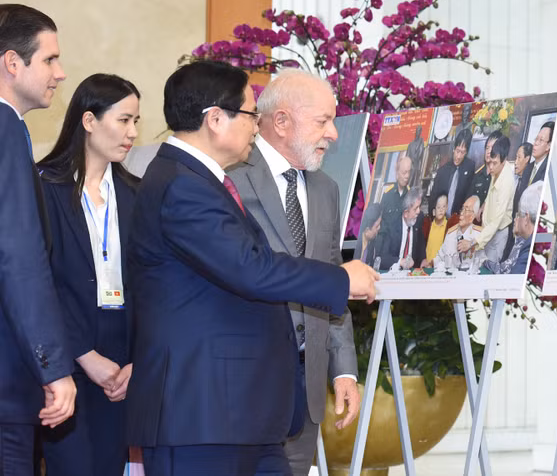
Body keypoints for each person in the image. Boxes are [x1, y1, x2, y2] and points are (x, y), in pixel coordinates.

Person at [125, 60, 378, 476]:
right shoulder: (180, 184)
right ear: (215, 119)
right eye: (248, 114)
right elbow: (251, 269)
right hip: (201, 415)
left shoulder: (200, 180)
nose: (256, 126)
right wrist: (340, 277)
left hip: (239, 414)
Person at [227, 70, 361, 475]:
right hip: (244, 382)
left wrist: (345, 370)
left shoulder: (327, 189)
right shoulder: (228, 179)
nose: (334, 134)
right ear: (281, 122)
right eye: (323, 121)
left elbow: (331, 277)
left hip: (307, 389)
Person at [37, 74, 141, 476]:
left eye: (136, 122)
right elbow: (38, 283)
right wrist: (83, 354)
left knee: (111, 464)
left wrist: (138, 362)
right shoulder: (44, 188)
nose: (132, 133)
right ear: (89, 121)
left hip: (124, 354)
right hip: (64, 351)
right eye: (124, 120)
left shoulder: (137, 192)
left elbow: (152, 282)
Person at [0, 4, 76, 475]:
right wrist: (54, 366)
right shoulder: (6, 130)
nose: (60, 73)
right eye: (49, 60)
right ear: (12, 63)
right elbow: (19, 256)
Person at [467, 136, 515, 263]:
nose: (491, 167)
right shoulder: (496, 172)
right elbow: (490, 196)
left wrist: (474, 242)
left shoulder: (507, 182)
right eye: (490, 163)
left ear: (504, 162)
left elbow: (497, 221)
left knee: (488, 269)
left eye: (495, 163)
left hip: (497, 234)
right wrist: (483, 206)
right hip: (487, 230)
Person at [485, 186, 537, 275]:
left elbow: (507, 271)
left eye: (518, 214)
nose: (515, 219)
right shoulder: (523, 239)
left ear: (527, 218)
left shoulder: (527, 245)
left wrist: (483, 262)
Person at [374, 187, 424, 270]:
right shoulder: (391, 226)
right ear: (405, 213)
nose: (418, 211)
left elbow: (421, 244)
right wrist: (400, 261)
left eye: (419, 207)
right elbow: (382, 257)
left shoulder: (418, 219)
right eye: (415, 208)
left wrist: (423, 258)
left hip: (412, 273)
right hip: (394, 272)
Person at [429, 129, 475, 218]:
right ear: (453, 148)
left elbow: (469, 195)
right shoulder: (442, 171)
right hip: (441, 219)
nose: (458, 156)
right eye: (457, 151)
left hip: (458, 219)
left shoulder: (470, 167)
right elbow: (433, 197)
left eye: (462, 152)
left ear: (466, 152)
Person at [434, 196, 485, 270]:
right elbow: (440, 257)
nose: (461, 213)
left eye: (466, 210)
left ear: (472, 216)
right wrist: (431, 262)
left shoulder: (479, 235)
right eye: (462, 209)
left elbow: (483, 264)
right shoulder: (451, 233)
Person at [420, 194, 458, 268]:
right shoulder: (428, 225)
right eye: (438, 207)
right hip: (426, 265)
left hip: (441, 266)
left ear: (447, 208)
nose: (441, 210)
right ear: (434, 211)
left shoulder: (449, 227)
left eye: (444, 207)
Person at [469, 130, 504, 209]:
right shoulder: (477, 176)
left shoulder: (501, 177)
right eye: (487, 148)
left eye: (492, 148)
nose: (489, 151)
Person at [380, 155, 412, 226]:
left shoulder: (411, 195)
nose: (407, 176)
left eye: (409, 172)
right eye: (404, 172)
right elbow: (381, 220)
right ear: (397, 173)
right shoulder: (388, 194)